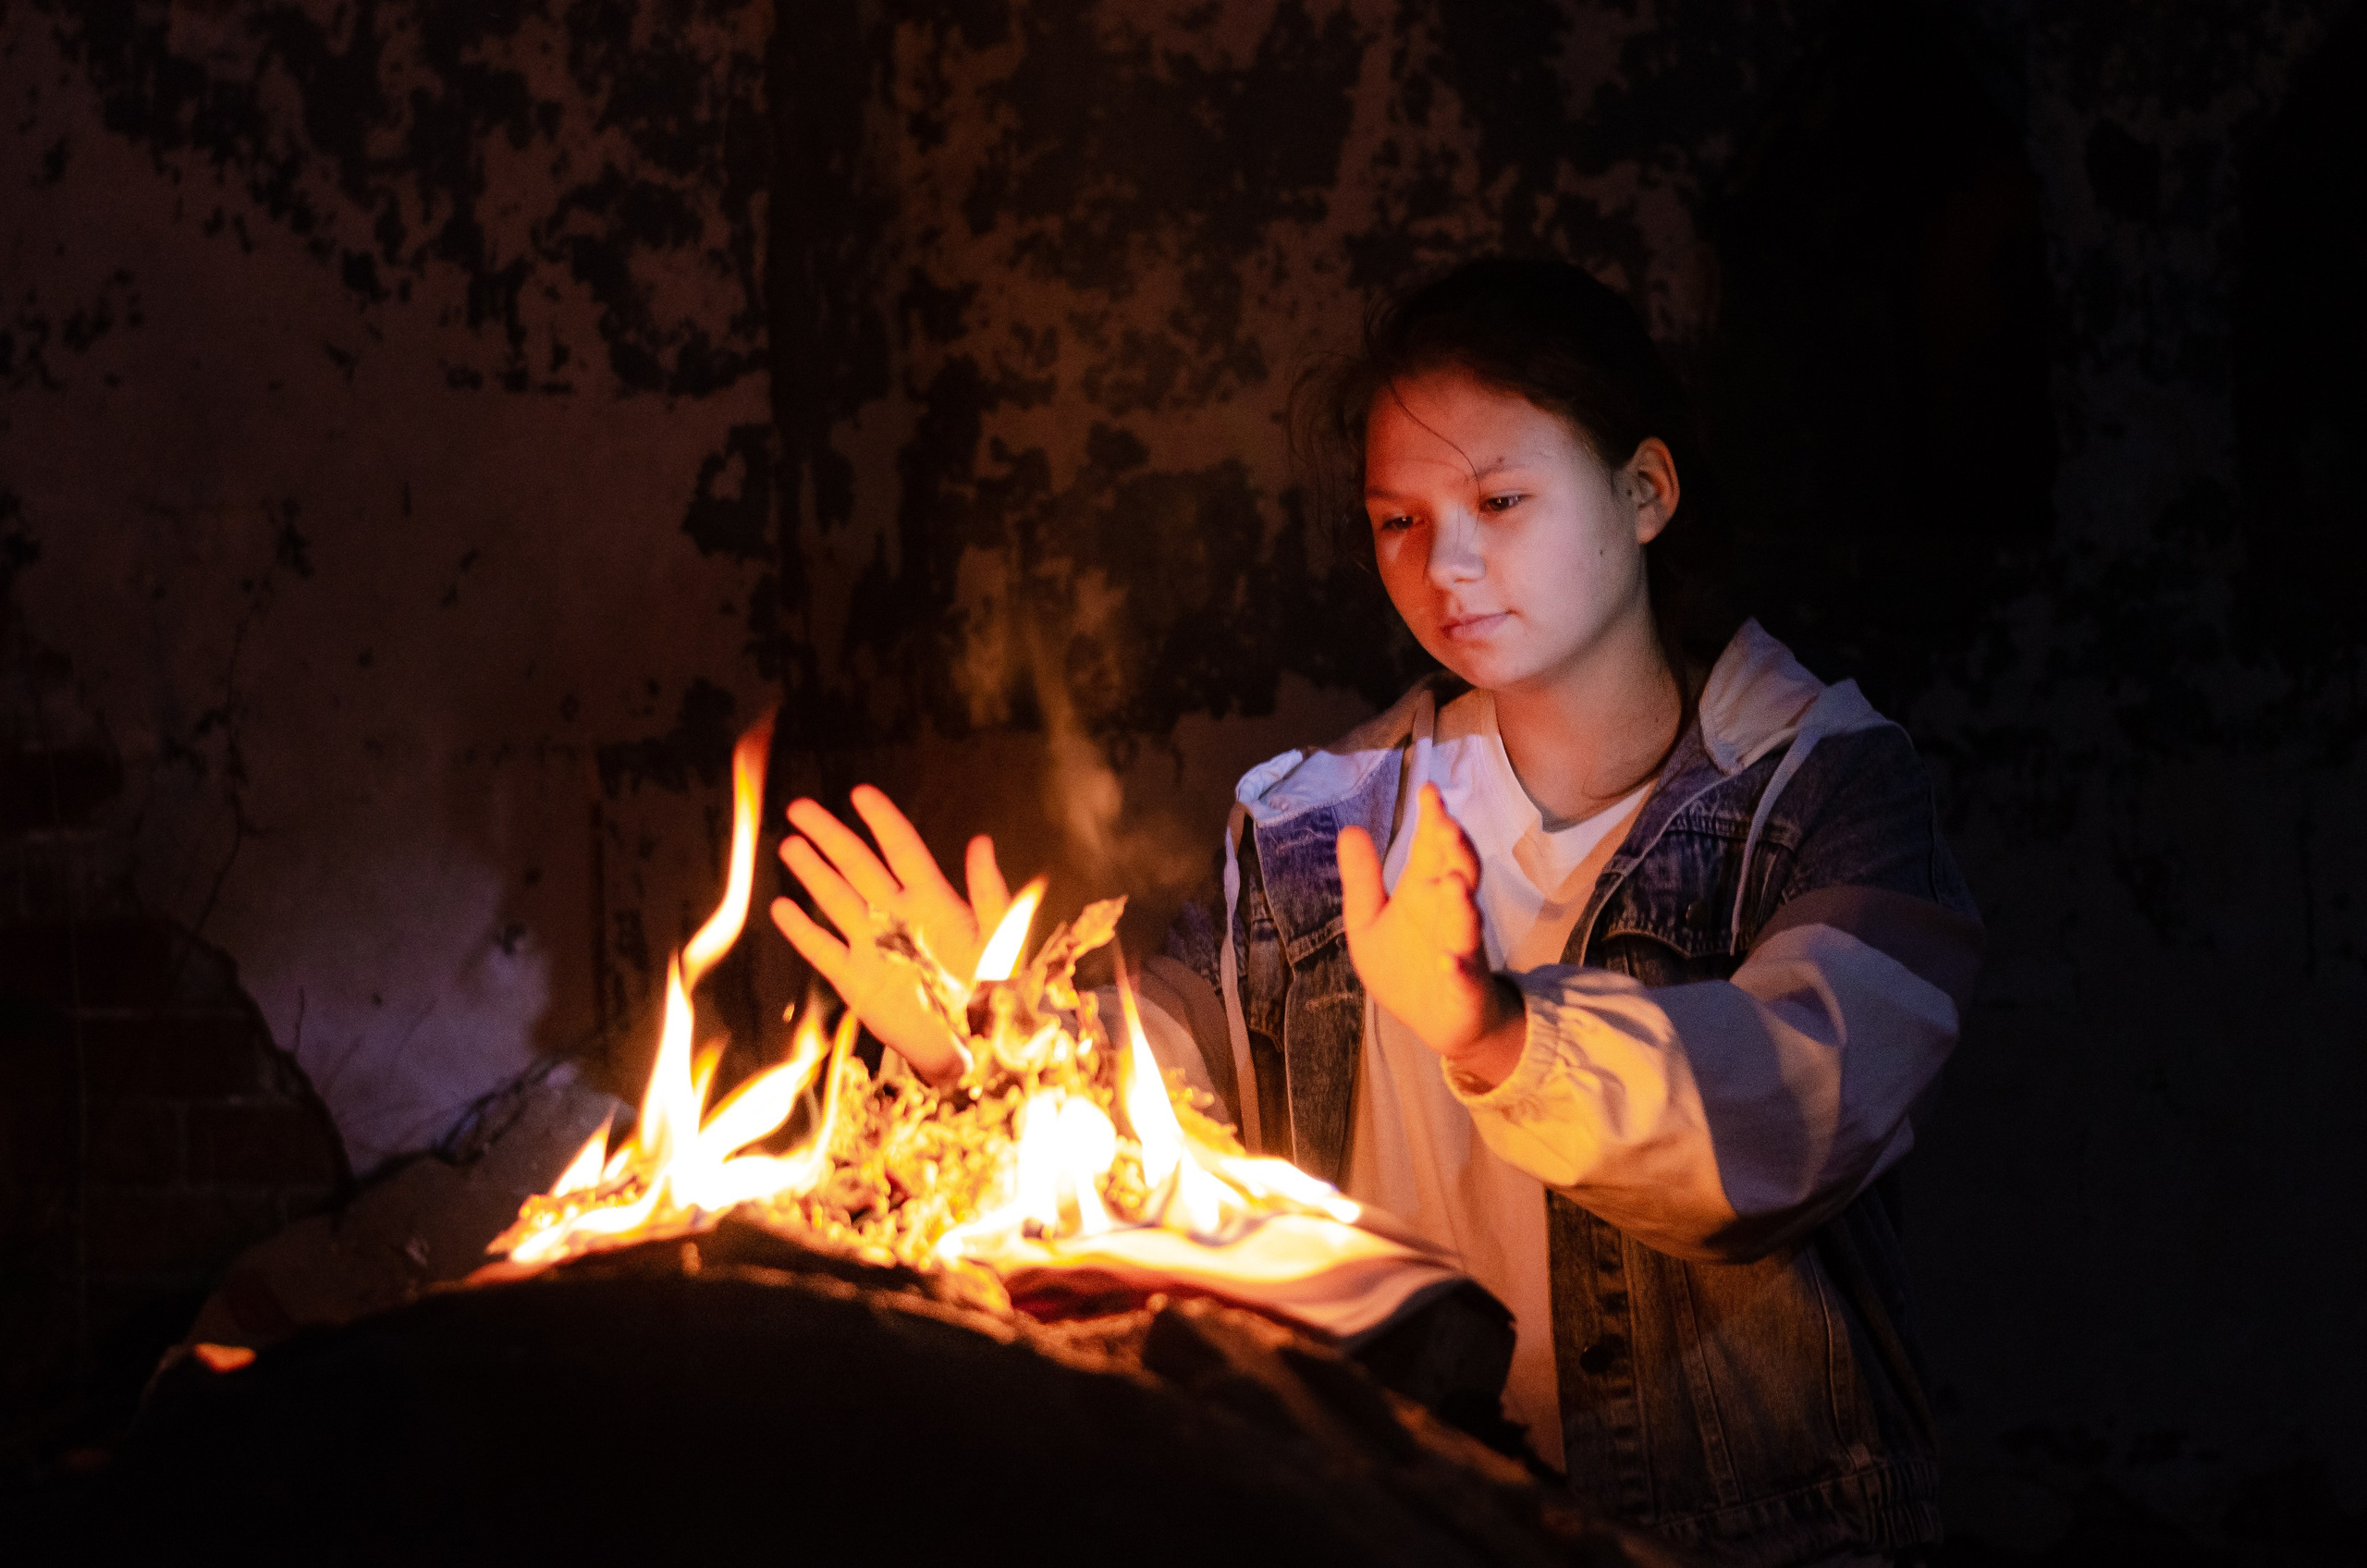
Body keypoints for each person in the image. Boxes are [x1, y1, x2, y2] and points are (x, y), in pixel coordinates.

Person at [770, 257, 1981, 1568]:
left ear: (1645, 492)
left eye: (1499, 500)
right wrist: (1006, 1051)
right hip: (1409, 1517)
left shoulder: (1824, 787)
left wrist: (1494, 1030)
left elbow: (1800, 1112)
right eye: (1396, 520)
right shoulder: (1323, 823)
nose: (1444, 563)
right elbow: (1179, 1079)